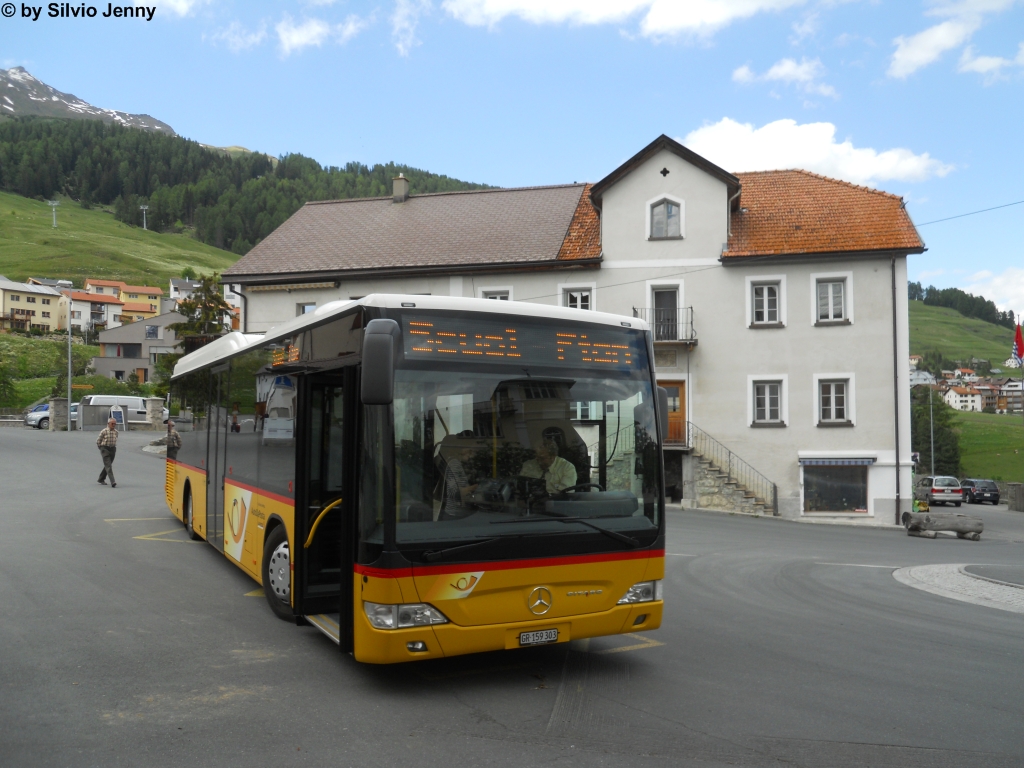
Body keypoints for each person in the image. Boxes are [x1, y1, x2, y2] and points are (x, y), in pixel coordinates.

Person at [441, 446, 479, 518]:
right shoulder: (455, 464)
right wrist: (474, 488)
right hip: (455, 514)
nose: (471, 451)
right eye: (467, 447)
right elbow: (453, 492)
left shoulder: (464, 464)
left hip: (460, 513)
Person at [97, 417, 119, 488]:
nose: (114, 425)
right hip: (105, 448)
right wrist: (101, 448)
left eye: (115, 424)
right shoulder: (104, 431)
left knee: (108, 465)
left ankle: (101, 479)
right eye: (112, 423)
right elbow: (98, 441)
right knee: (108, 466)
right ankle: (113, 481)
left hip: (112, 449)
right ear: (108, 423)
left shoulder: (116, 432)